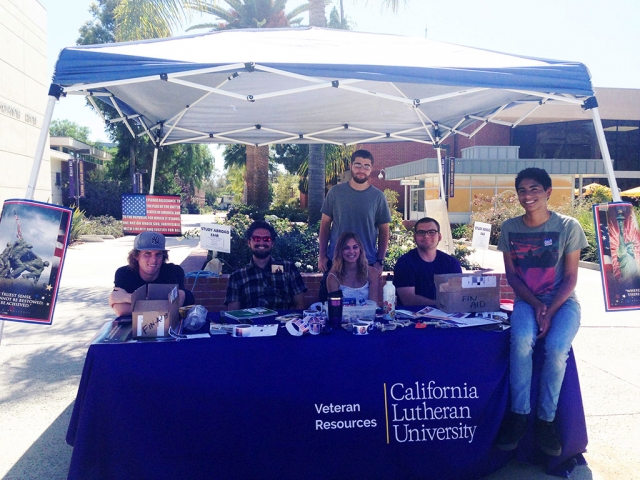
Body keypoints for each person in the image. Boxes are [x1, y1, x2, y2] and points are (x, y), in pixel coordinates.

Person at [494, 168, 588, 457]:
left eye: (534, 189)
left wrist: (550, 310)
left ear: (548, 192)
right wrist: (536, 306)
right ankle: (519, 414)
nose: (528, 195)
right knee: (521, 341)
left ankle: (546, 420)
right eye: (522, 190)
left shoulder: (569, 226)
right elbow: (512, 276)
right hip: (527, 301)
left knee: (558, 348)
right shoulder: (510, 228)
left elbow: (571, 278)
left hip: (564, 301)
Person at [318, 149, 392, 275]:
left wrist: (380, 260)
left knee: (367, 296)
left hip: (367, 261)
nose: (362, 170)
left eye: (366, 166)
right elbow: (324, 225)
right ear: (351, 166)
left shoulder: (378, 197)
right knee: (331, 295)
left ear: (371, 168)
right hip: (336, 260)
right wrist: (322, 255)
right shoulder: (335, 192)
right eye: (358, 165)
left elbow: (384, 231)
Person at [225, 220, 307, 310]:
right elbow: (233, 313)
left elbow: (300, 305)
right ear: (249, 243)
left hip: (283, 322)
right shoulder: (237, 276)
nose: (261, 243)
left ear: (272, 243)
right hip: (251, 323)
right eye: (256, 239)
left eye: (266, 239)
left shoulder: (288, 268)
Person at [109, 231, 195, 317]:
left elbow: (178, 302)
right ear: (136, 256)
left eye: (158, 254)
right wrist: (163, 304)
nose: (153, 259)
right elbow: (121, 310)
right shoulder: (124, 274)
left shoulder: (173, 271)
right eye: (147, 254)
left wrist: (128, 298)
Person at [393, 217, 462, 306]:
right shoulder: (405, 263)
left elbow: (458, 294)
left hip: (447, 316)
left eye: (432, 232)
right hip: (413, 317)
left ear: (439, 237)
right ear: (415, 237)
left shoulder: (451, 263)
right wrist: (440, 304)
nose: (426, 236)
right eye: (421, 232)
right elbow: (408, 299)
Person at [327, 232, 381, 305]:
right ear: (340, 251)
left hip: (367, 316)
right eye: (346, 248)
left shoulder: (372, 273)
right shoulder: (333, 277)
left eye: (355, 247)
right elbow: (335, 308)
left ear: (360, 249)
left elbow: (374, 305)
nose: (351, 251)